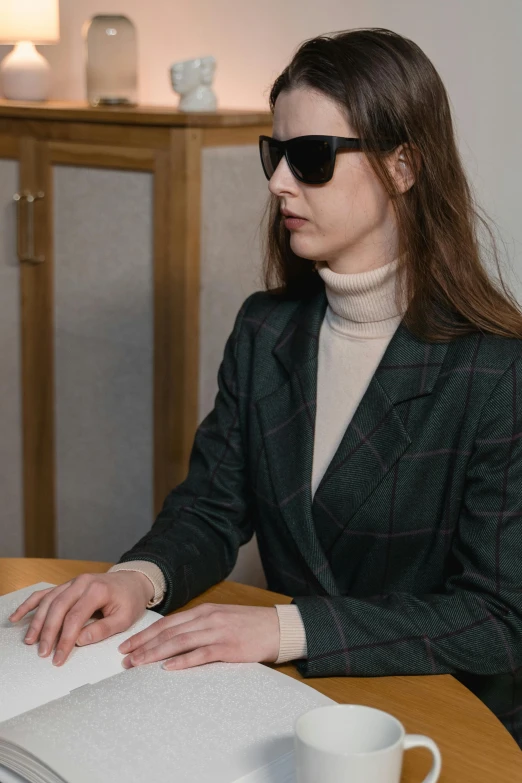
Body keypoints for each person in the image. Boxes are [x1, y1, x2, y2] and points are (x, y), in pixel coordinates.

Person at [9, 27, 522, 749]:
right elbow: (214, 506)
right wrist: (138, 578)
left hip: (440, 719)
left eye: (310, 157)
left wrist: (285, 626)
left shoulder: (497, 367)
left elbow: (499, 619)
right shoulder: (267, 328)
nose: (280, 181)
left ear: (404, 165)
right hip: (283, 699)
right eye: (273, 155)